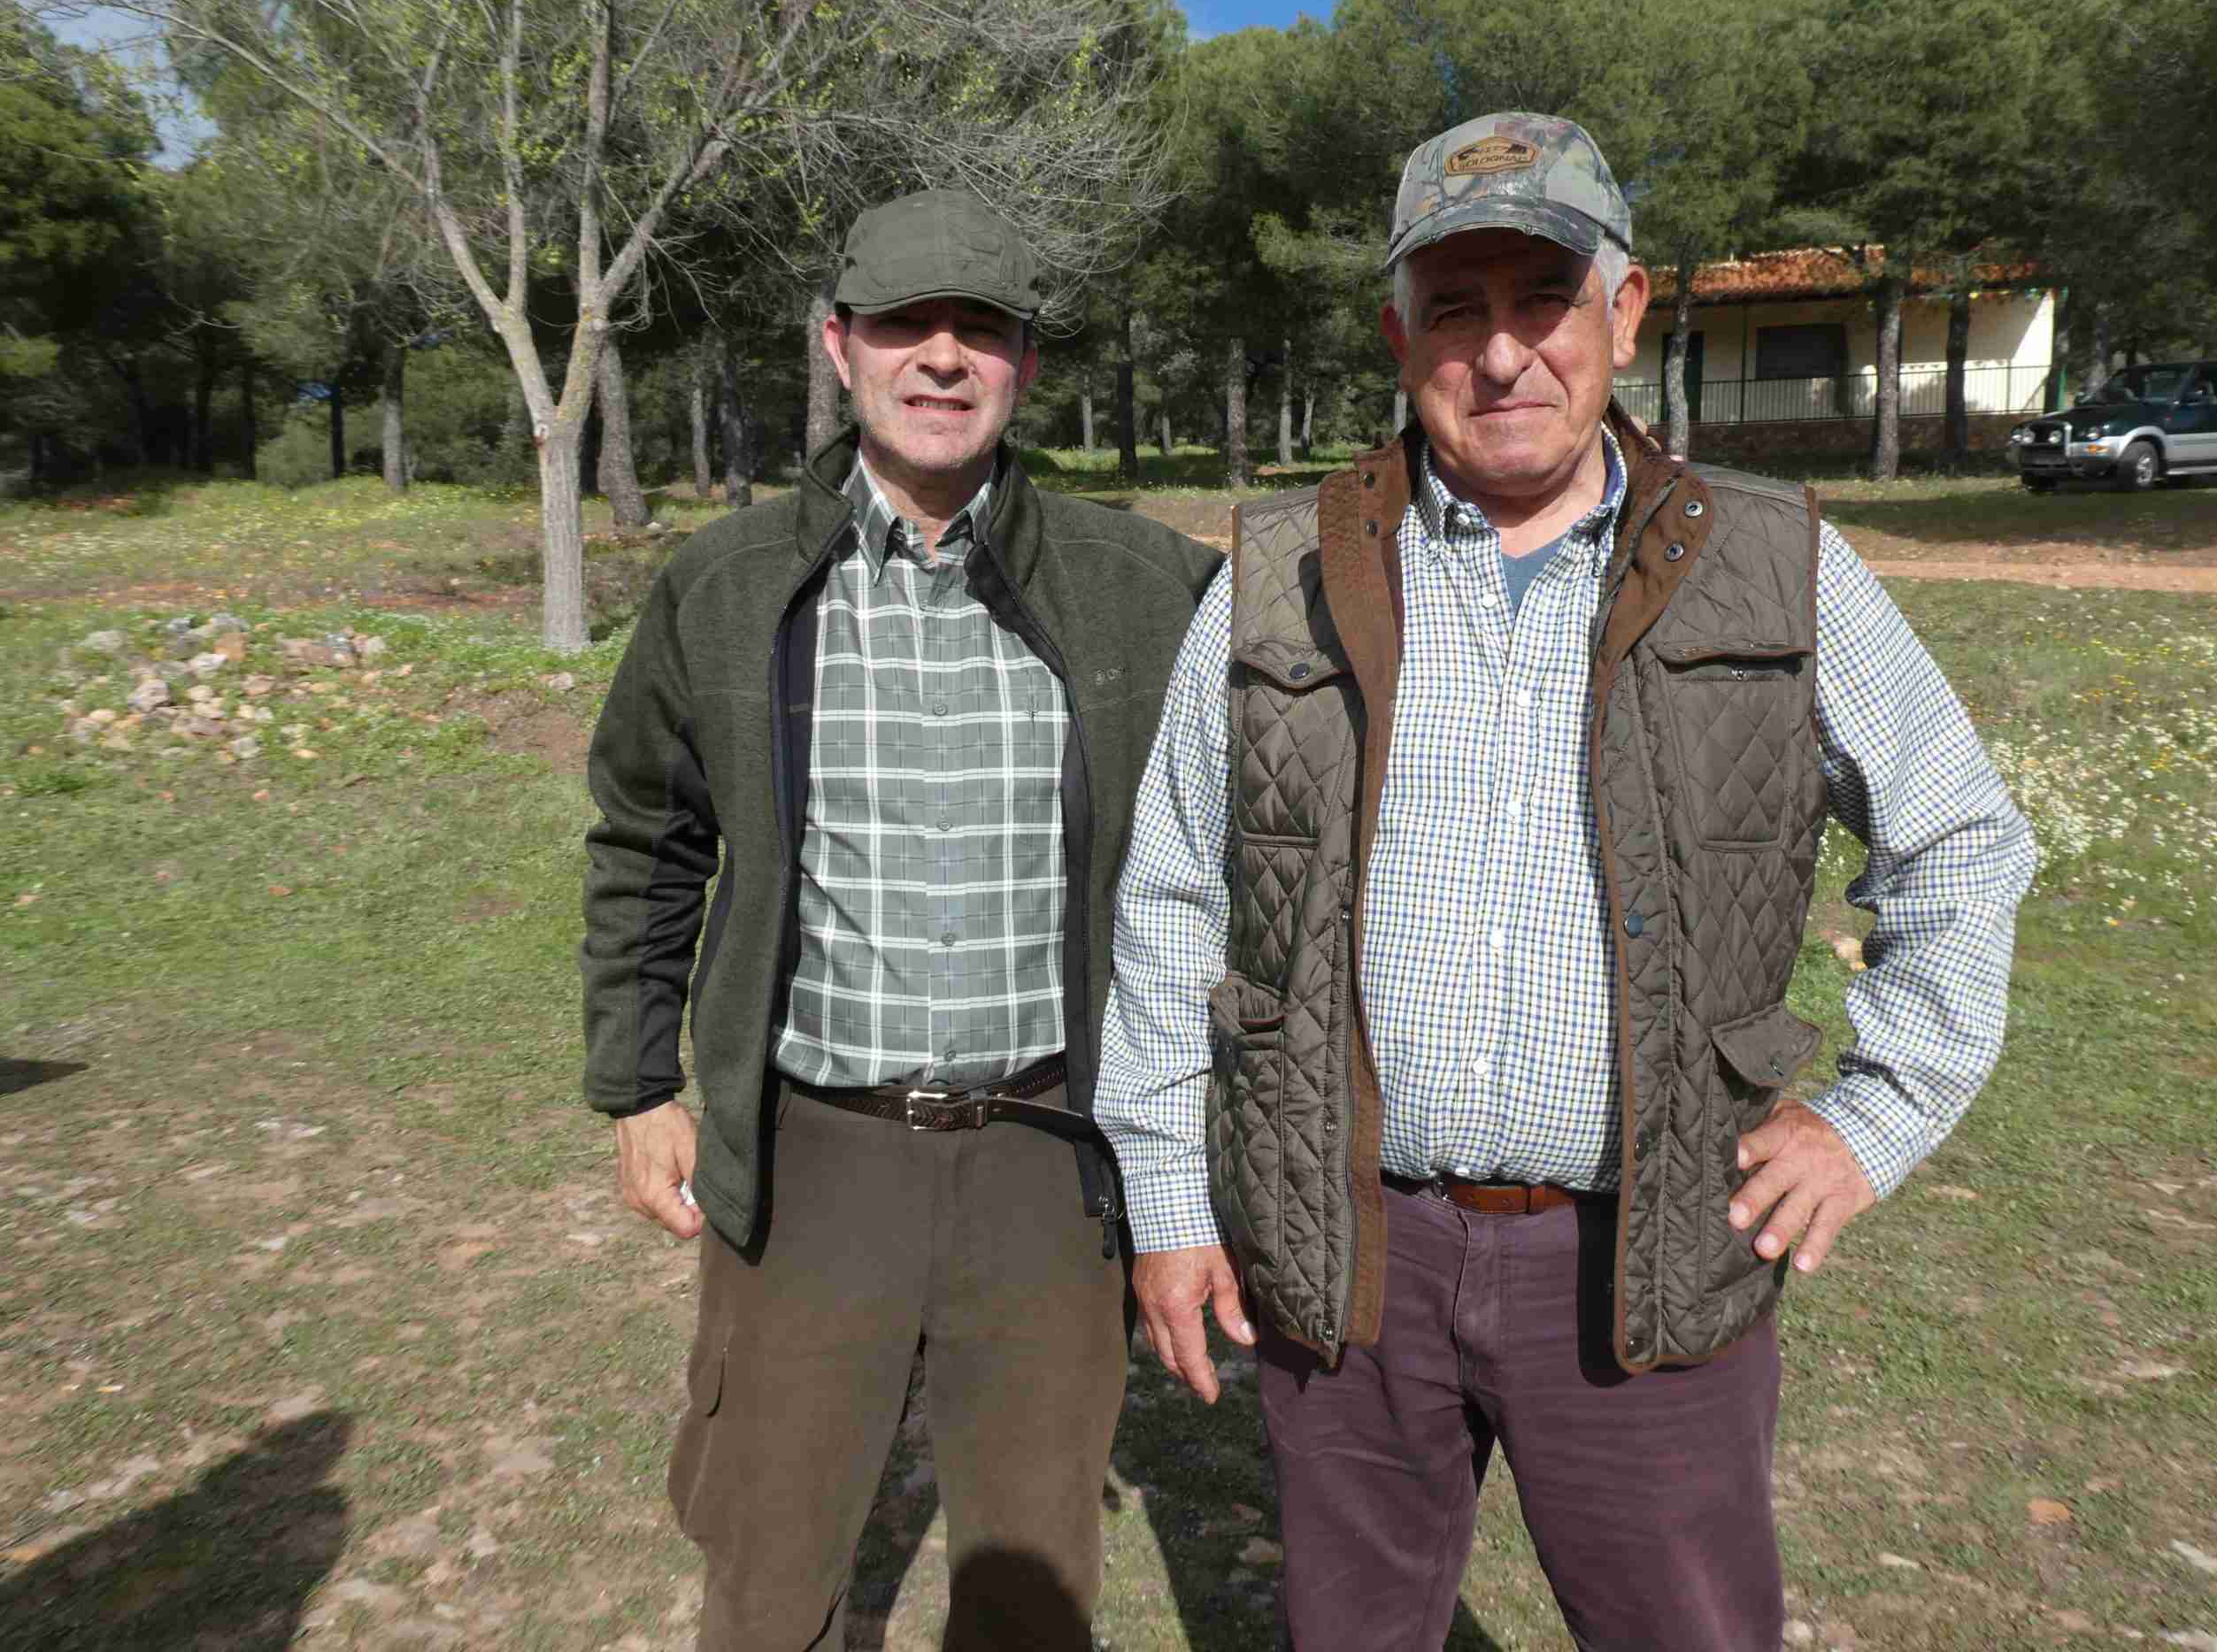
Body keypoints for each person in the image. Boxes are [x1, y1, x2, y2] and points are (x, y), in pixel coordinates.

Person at [1092, 112, 2037, 1652]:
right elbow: (1173, 896)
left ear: (1626, 309)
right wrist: (1169, 1198)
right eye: (1455, 310)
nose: (1503, 353)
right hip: (1346, 1254)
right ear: (1401, 336)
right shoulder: (1275, 572)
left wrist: (1877, 1116)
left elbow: (1962, 842)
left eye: (1542, 299)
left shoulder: (1778, 560)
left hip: (1652, 1257)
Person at [580, 187, 1220, 1651]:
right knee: (770, 1555)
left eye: (979, 331)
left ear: (1025, 366)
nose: (942, 358)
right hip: (815, 1152)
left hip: (1054, 1154)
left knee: (1031, 1576)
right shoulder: (728, 587)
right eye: (903, 327)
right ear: (839, 348)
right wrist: (637, 1086)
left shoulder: (1147, 589)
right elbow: (646, 839)